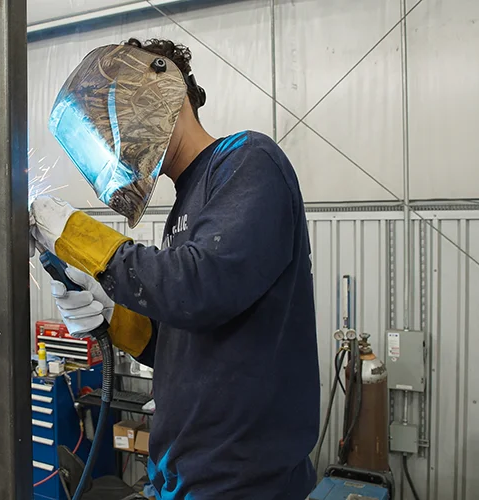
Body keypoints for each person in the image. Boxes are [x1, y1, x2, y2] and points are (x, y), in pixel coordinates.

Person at [30, 38, 320, 499]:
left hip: (244, 484)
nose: (114, 137)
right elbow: (183, 341)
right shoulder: (186, 204)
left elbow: (200, 287)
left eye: (113, 117)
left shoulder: (248, 160)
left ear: (166, 85)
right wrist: (115, 317)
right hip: (182, 478)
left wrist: (78, 236)